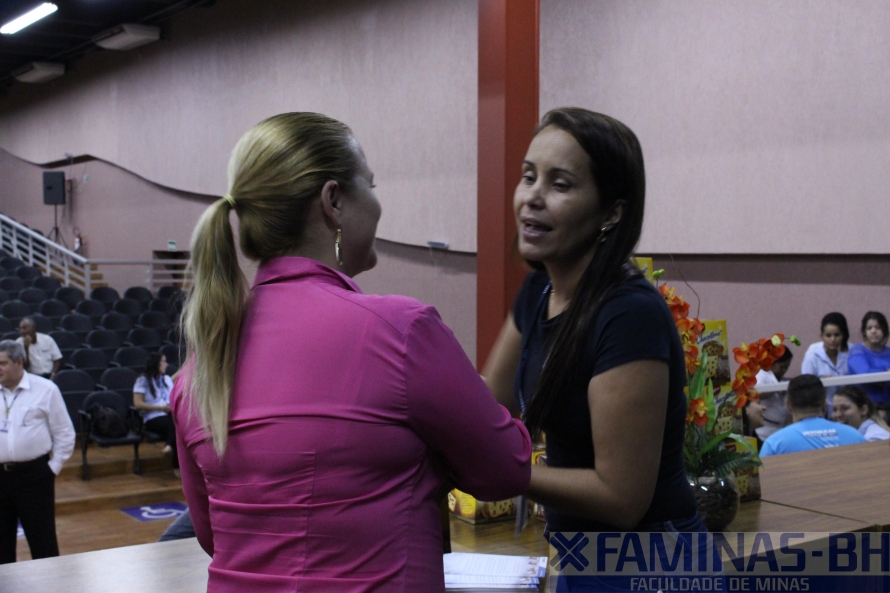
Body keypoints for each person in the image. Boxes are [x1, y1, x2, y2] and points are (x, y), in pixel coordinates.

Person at [170, 112, 531, 592]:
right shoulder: (402, 332)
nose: (378, 203)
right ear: (334, 201)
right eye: (371, 185)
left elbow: (213, 536)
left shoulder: (199, 372)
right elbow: (507, 470)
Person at [482, 108, 701, 535]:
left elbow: (621, 498)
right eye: (528, 177)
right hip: (580, 554)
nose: (532, 197)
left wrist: (508, 472)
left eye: (560, 184)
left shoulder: (629, 314)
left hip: (652, 560)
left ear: (611, 213)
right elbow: (493, 407)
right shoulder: (538, 291)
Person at [0, 340, 75, 563]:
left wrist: (53, 468)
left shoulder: (46, 389)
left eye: (2, 363)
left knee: (42, 541)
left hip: (34, 476)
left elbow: (64, 433)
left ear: (19, 362)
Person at [760, 374, 866, 457]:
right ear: (825, 404)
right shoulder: (856, 436)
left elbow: (760, 477)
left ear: (788, 405)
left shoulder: (775, 444)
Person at [133, 352, 178, 477]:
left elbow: (175, 379)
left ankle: (169, 446)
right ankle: (176, 464)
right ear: (155, 363)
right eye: (163, 361)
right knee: (177, 425)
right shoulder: (142, 380)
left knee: (178, 422)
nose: (166, 364)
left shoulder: (166, 379)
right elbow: (137, 404)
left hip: (168, 416)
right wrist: (160, 408)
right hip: (153, 418)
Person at [801, 312, 850, 412]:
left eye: (837, 335)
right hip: (820, 411)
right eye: (828, 335)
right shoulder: (812, 359)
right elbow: (805, 387)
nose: (833, 339)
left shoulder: (847, 357)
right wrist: (819, 382)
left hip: (845, 410)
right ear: (822, 336)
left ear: (843, 336)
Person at [747, 347, 794, 443]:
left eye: (786, 367)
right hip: (765, 428)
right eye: (782, 367)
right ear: (773, 362)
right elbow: (756, 392)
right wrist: (778, 388)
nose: (784, 370)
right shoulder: (762, 374)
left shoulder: (780, 379)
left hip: (780, 427)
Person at [847, 311, 890, 406]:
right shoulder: (857, 351)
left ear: (885, 330)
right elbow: (865, 374)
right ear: (864, 332)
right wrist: (886, 371)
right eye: (869, 328)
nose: (873, 331)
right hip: (864, 405)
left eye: (878, 327)